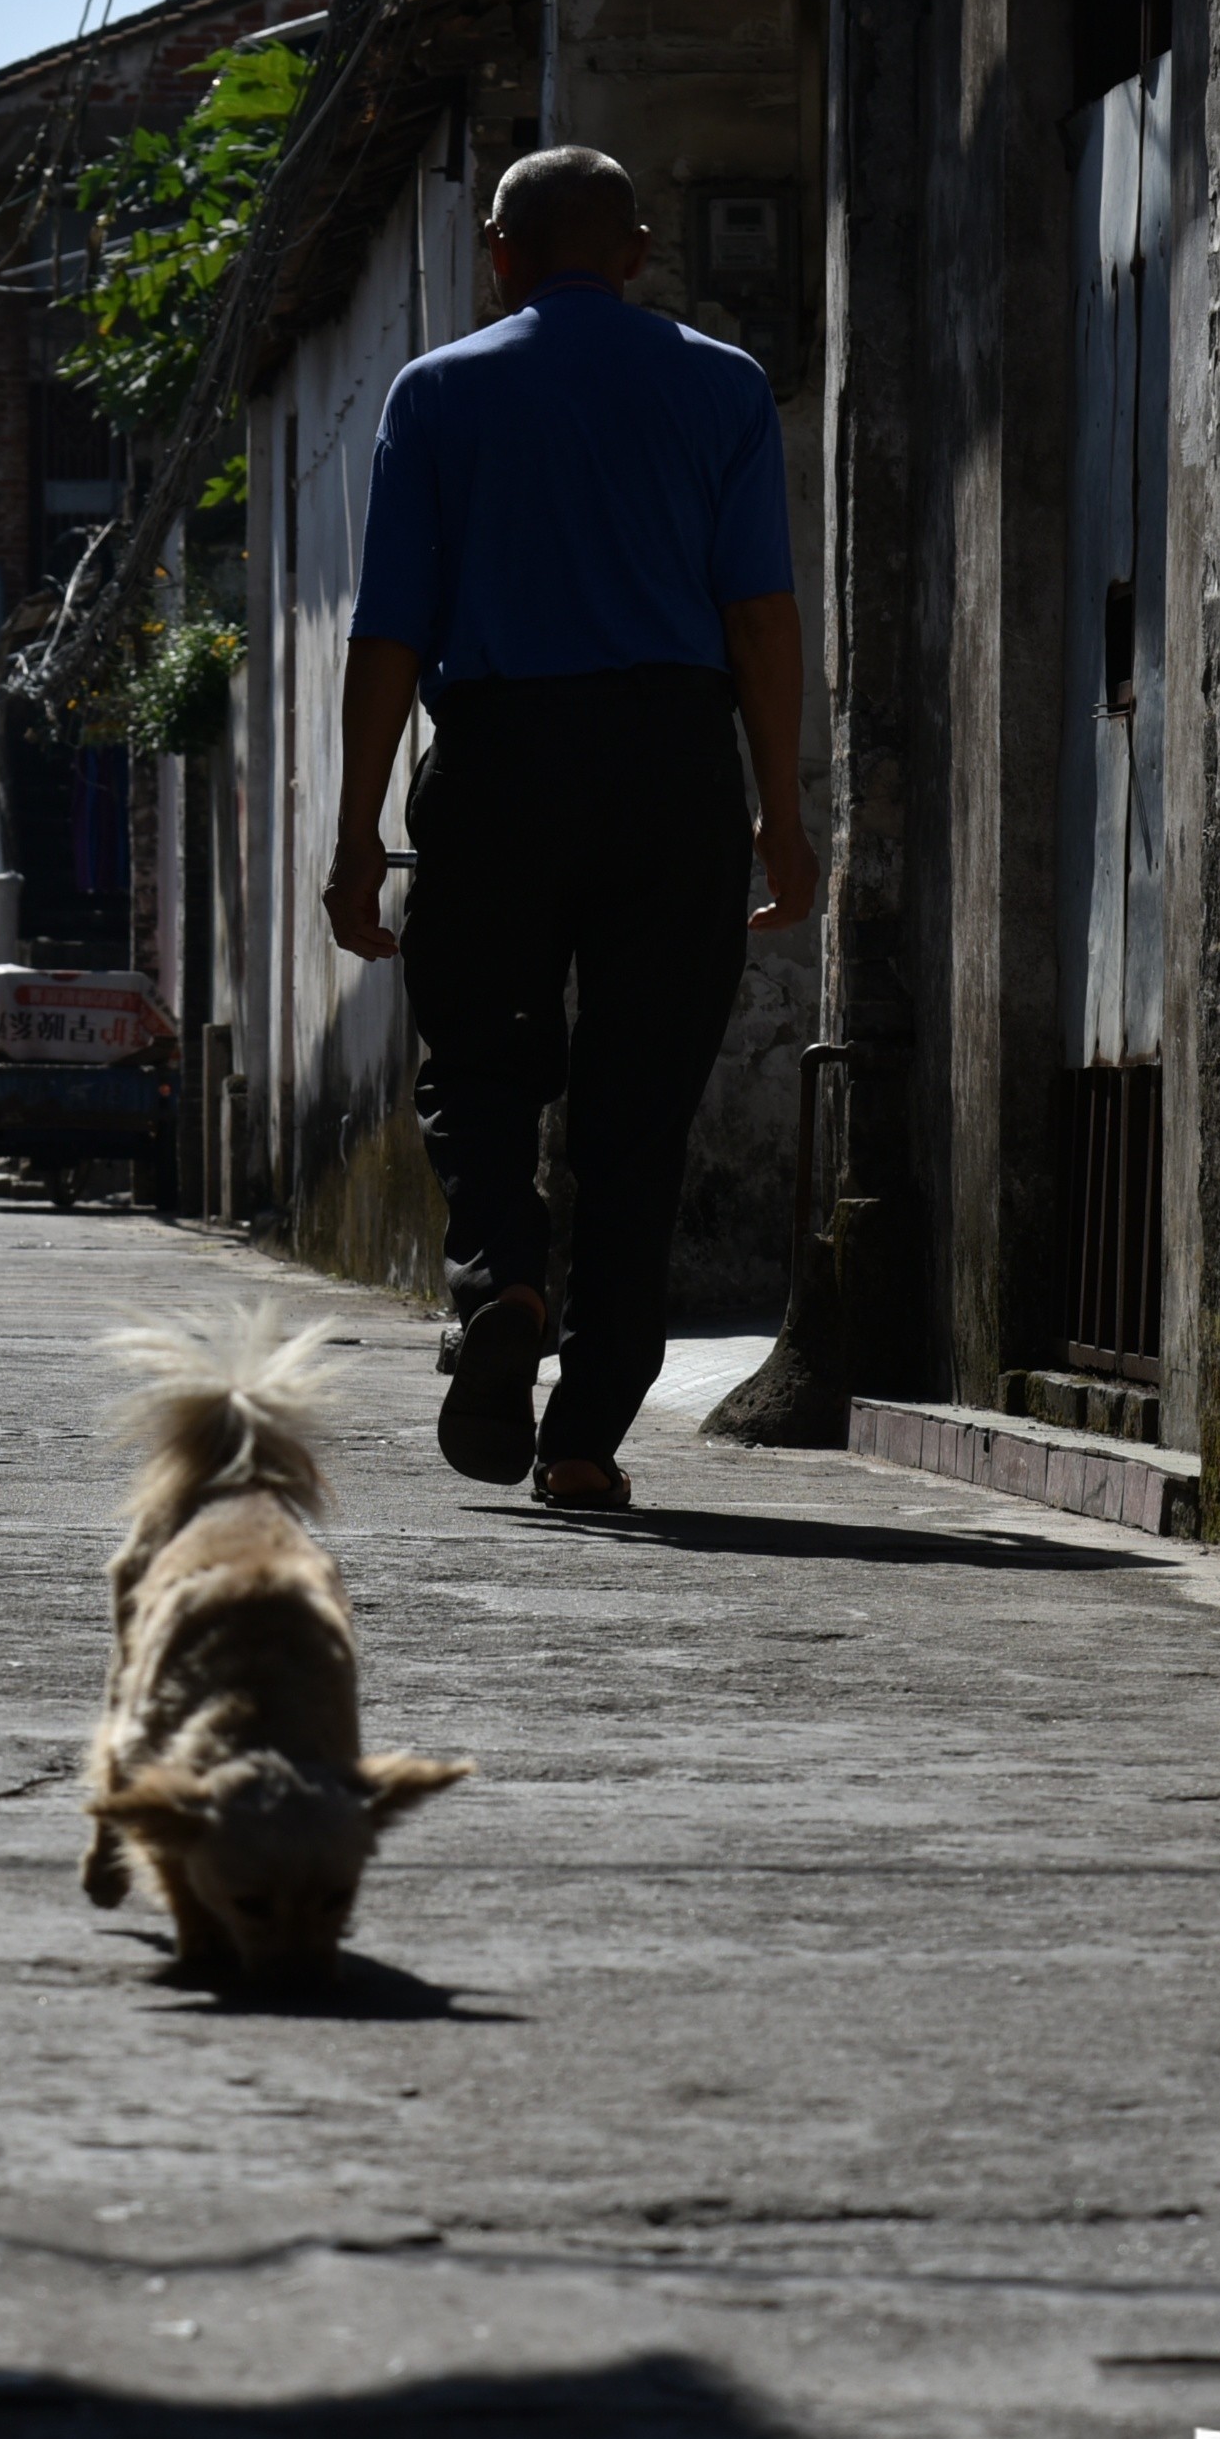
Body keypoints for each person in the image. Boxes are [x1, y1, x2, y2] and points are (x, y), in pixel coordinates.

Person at [321, 144, 816, 1512]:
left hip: (496, 764)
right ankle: (588, 1436)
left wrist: (358, 836)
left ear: (499, 254)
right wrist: (779, 813)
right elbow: (759, 620)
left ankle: (504, 1280)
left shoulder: (436, 395)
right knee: (635, 1112)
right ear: (637, 250)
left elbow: (387, 634)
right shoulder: (720, 388)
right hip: (671, 767)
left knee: (477, 1067)